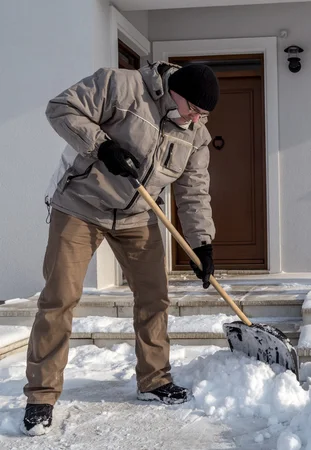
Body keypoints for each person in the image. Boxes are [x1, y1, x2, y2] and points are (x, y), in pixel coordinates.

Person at [21, 61, 219, 436]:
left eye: (203, 114)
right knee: (60, 296)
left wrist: (202, 244)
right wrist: (102, 146)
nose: (195, 118)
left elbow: (193, 192)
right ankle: (41, 395)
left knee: (154, 297)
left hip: (137, 216)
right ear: (174, 90)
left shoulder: (196, 134)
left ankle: (155, 379)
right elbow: (60, 108)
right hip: (81, 204)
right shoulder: (121, 86)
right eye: (193, 108)